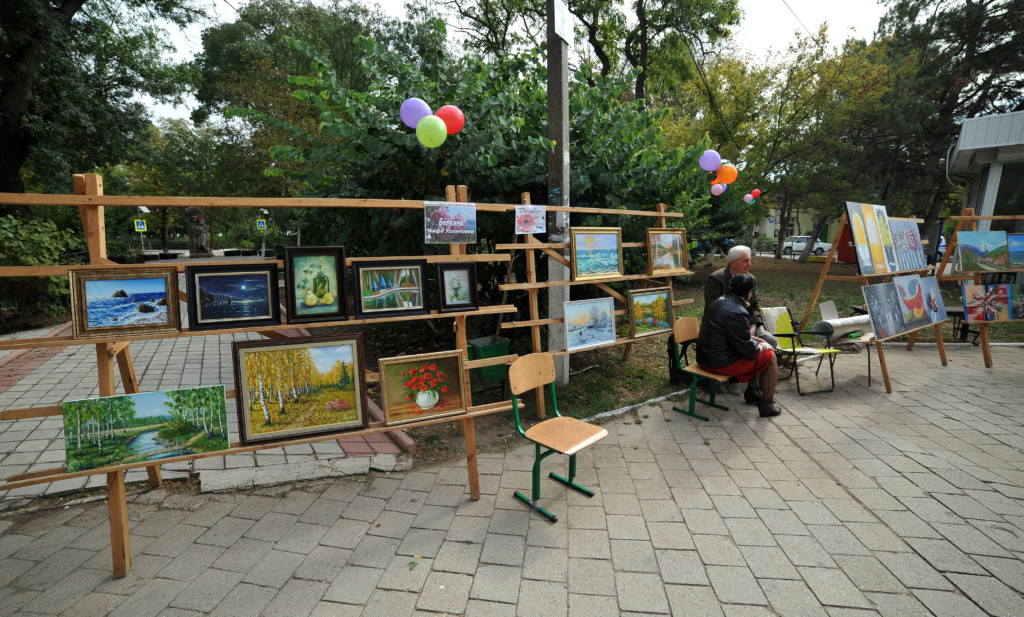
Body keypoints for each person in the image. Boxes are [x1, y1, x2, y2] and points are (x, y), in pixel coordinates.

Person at [697, 274, 780, 417]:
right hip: (718, 362)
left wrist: (760, 341)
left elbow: (738, 336)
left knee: (761, 350)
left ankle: (753, 392)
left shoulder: (718, 302)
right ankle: (767, 404)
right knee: (770, 357)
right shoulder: (738, 310)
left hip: (705, 358)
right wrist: (762, 346)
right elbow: (749, 350)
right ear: (749, 292)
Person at [702, 245, 777, 400]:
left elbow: (754, 306)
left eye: (750, 260)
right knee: (751, 346)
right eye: (745, 261)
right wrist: (744, 332)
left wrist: (753, 325)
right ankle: (735, 379)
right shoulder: (716, 278)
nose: (750, 264)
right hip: (728, 327)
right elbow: (713, 309)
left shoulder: (751, 279)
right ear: (733, 262)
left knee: (769, 340)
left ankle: (752, 386)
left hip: (747, 324)